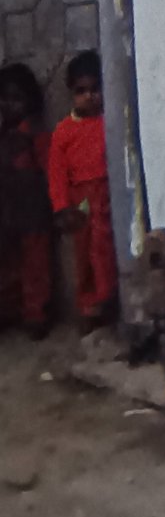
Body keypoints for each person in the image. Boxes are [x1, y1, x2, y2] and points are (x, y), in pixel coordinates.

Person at [48, 50, 119, 334]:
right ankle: (89, 306)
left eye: (95, 89)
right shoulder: (64, 131)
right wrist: (62, 207)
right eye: (82, 91)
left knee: (107, 249)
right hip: (82, 200)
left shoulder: (109, 123)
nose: (90, 96)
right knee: (84, 254)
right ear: (71, 93)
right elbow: (56, 173)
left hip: (109, 192)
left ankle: (110, 300)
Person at [0, 63, 53, 338]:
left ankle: (36, 315)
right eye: (5, 98)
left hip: (32, 211)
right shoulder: (5, 133)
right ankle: (9, 311)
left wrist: (58, 205)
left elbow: (49, 169)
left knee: (35, 265)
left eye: (17, 98)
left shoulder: (34, 133)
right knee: (9, 265)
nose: (10, 105)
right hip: (7, 211)